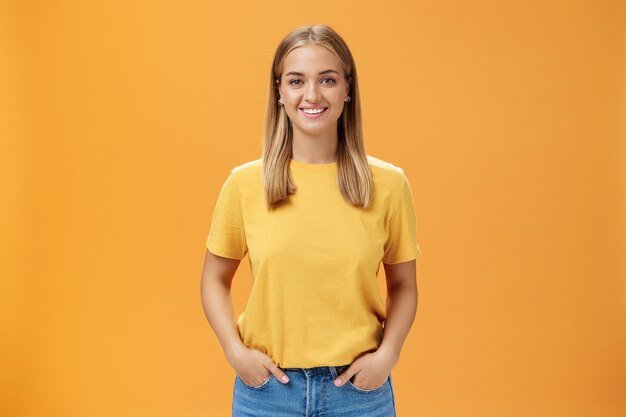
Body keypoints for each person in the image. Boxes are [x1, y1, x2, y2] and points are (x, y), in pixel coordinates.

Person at [200, 24, 421, 417]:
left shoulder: (388, 185)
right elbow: (214, 279)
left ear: (347, 90)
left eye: (328, 80)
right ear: (279, 92)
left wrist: (388, 354)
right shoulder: (245, 185)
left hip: (359, 395)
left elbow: (403, 286)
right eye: (297, 80)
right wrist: (236, 353)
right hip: (267, 394)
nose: (312, 95)